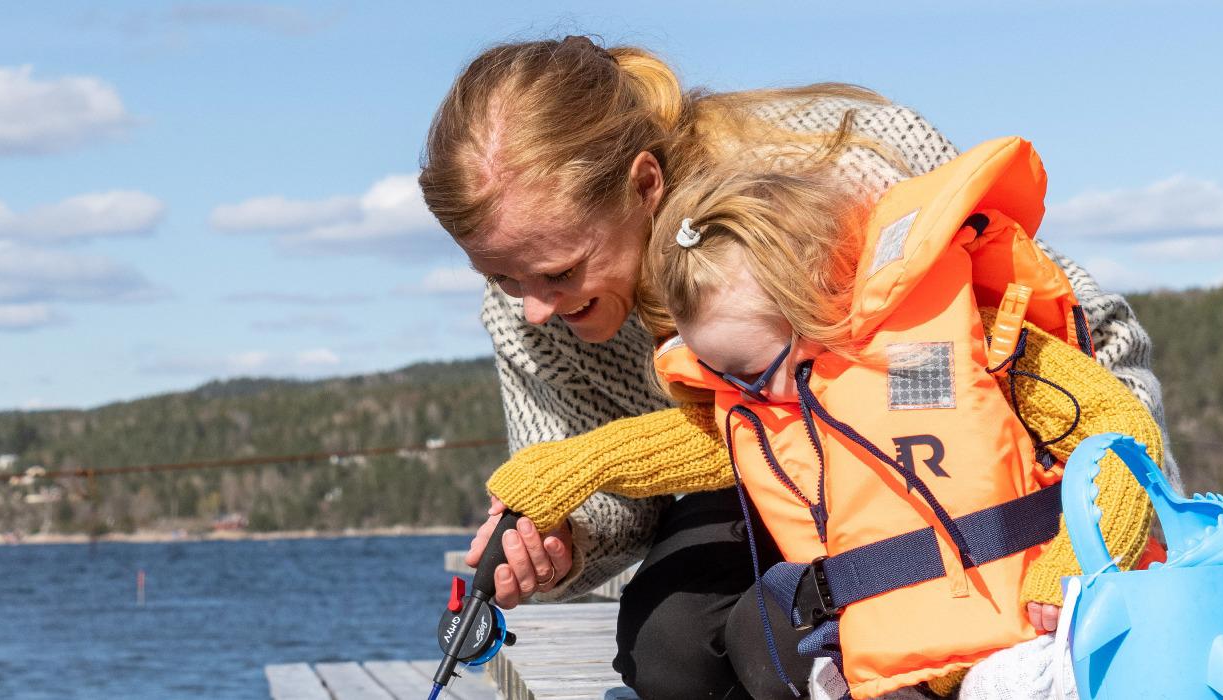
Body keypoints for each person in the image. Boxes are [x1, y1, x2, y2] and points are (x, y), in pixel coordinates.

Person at [420, 36, 1174, 697]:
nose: (534, 311)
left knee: (770, 637)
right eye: (504, 279)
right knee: (669, 653)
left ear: (646, 185)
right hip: (756, 463)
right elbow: (617, 501)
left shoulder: (829, 174)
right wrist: (564, 542)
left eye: (559, 272)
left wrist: (1116, 515)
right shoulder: (529, 316)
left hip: (940, 461)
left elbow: (1090, 337)